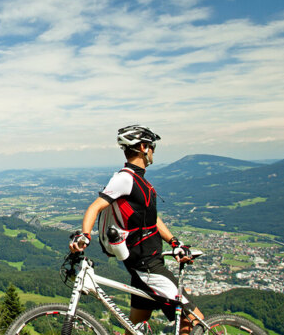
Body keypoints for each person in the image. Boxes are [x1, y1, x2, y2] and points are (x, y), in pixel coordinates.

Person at [69, 125, 205, 335]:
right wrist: (84, 235)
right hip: (148, 268)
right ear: (143, 147)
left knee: (133, 329)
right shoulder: (125, 179)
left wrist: (174, 242)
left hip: (144, 267)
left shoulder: (138, 180)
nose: (153, 151)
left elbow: (151, 220)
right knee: (195, 321)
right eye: (152, 146)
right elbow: (95, 206)